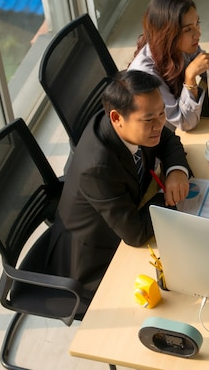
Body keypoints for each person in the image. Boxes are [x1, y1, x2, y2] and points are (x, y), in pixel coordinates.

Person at [45, 69, 193, 299]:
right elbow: (135, 233)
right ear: (116, 118)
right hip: (96, 261)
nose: (159, 124)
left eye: (162, 114)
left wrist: (176, 173)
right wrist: (171, 196)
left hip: (127, 212)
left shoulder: (134, 126)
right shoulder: (97, 168)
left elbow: (167, 138)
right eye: (149, 120)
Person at [128, 0, 209, 131]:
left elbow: (203, 69)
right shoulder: (146, 76)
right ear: (168, 34)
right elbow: (185, 122)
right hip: (162, 138)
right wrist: (190, 78)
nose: (198, 34)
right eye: (188, 29)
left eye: (198, 24)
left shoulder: (180, 46)